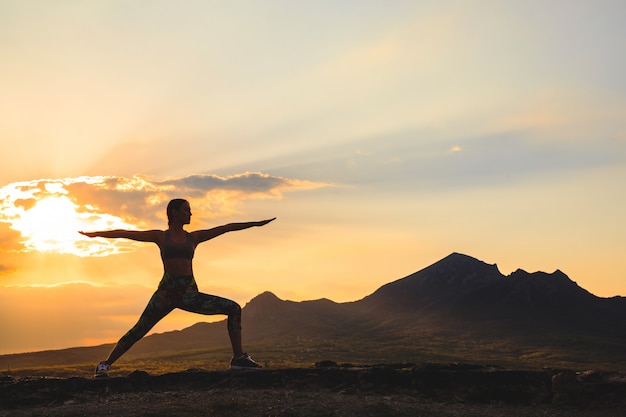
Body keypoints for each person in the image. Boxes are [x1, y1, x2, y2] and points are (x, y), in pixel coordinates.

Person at [79, 198, 275, 377]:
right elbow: (126, 233)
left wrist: (255, 224)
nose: (190, 214)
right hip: (165, 295)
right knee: (139, 329)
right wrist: (95, 234)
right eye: (186, 210)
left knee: (233, 308)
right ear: (174, 212)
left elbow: (226, 227)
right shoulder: (161, 237)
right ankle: (104, 365)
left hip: (189, 295)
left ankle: (239, 359)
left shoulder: (194, 238)